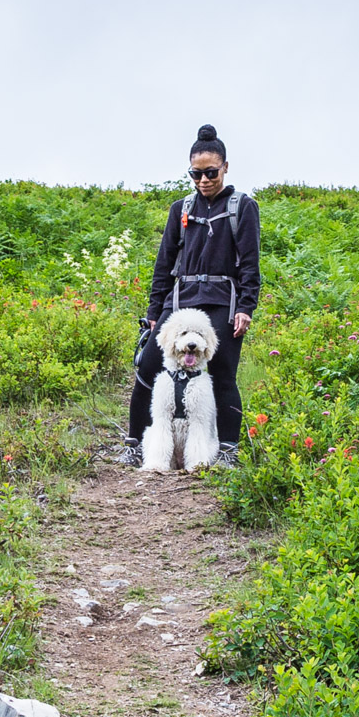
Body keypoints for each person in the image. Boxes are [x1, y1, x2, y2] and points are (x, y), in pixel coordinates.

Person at [123, 124, 260, 468]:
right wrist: (155, 310)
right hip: (180, 300)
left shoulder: (242, 207)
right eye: (196, 174)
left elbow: (250, 263)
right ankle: (134, 444)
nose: (203, 180)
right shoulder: (180, 209)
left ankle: (227, 450)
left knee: (223, 372)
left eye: (210, 172)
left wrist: (245, 307)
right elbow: (164, 263)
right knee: (148, 367)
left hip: (222, 302)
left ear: (225, 167)